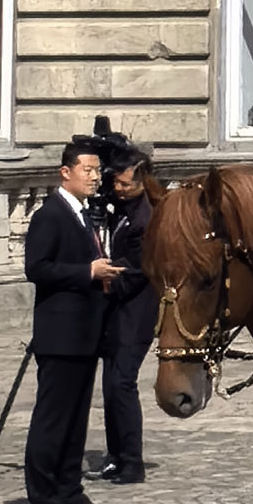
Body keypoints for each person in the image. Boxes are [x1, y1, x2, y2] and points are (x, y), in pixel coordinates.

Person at [21, 139, 118, 504]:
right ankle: (44, 501)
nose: (95, 178)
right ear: (66, 172)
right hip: (59, 335)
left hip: (85, 334)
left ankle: (70, 493)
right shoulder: (51, 214)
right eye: (88, 170)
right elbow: (37, 267)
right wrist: (87, 272)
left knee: (77, 423)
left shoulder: (86, 215)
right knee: (53, 420)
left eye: (98, 171)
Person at [94, 147, 158, 484]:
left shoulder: (145, 218)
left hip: (136, 310)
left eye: (126, 184)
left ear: (142, 182)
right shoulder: (116, 208)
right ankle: (115, 454)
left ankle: (132, 461)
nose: (119, 189)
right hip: (115, 310)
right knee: (110, 385)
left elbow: (137, 270)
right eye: (115, 183)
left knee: (122, 382)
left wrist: (104, 284)